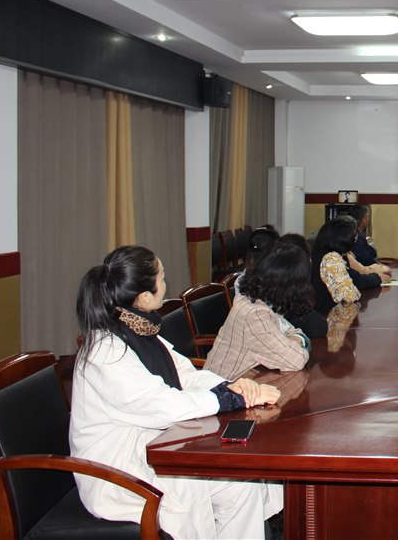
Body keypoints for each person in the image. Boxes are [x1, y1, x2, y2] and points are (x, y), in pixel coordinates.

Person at [69, 245, 283, 539]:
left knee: (243, 487)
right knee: (202, 488)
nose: (166, 283)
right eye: (162, 278)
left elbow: (186, 375)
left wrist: (232, 387)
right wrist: (231, 399)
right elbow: (163, 405)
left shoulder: (138, 328)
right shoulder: (106, 352)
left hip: (155, 447)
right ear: (145, 297)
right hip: (118, 471)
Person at [204, 241, 313, 381]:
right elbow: (296, 360)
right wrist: (296, 341)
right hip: (221, 389)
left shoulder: (259, 301)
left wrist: (294, 339)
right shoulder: (254, 315)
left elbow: (293, 332)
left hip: (247, 381)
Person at [311, 217, 364, 315]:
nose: (355, 240)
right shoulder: (332, 258)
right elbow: (350, 296)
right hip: (326, 315)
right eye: (354, 237)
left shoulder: (321, 251)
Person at [348, 203, 386, 268]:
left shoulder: (365, 238)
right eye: (367, 216)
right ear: (364, 220)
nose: (368, 219)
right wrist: (381, 267)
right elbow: (368, 260)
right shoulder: (359, 238)